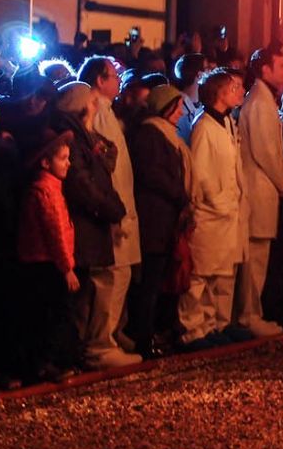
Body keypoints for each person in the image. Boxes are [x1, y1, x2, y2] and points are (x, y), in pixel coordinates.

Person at [51, 81, 131, 369]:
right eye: (93, 101)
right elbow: (83, 184)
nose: (97, 106)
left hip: (93, 222)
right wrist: (112, 208)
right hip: (87, 223)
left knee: (94, 288)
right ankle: (88, 351)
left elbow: (104, 165)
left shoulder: (85, 136)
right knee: (87, 292)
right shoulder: (73, 138)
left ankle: (87, 349)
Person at [78, 56, 142, 365]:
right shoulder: (99, 112)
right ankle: (101, 343)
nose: (118, 81)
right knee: (113, 277)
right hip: (114, 209)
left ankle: (111, 334)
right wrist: (116, 211)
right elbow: (109, 169)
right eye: (113, 76)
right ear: (100, 81)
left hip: (120, 206)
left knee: (121, 274)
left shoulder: (107, 111)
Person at [179, 68, 246, 350]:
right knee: (200, 276)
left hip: (225, 213)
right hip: (210, 213)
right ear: (220, 93)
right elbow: (202, 172)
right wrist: (217, 200)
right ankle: (192, 330)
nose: (240, 92)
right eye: (234, 88)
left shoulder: (226, 123)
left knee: (216, 273)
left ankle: (210, 325)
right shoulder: (205, 126)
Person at [126, 85, 192, 357]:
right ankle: (143, 339)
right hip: (154, 222)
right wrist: (180, 193)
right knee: (149, 286)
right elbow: (152, 174)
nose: (179, 113)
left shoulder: (165, 134)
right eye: (176, 107)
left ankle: (156, 333)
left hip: (165, 222)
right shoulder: (149, 135)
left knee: (159, 283)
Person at [16, 130, 81, 382]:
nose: (69, 163)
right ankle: (46, 363)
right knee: (52, 315)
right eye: (63, 158)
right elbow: (55, 232)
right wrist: (67, 268)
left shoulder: (50, 188)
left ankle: (47, 362)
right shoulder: (46, 191)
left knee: (49, 314)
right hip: (46, 263)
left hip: (44, 261)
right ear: (45, 162)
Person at [236, 48, 283, 338]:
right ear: (265, 70)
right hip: (259, 190)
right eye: (281, 66)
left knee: (258, 258)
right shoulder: (260, 102)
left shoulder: (264, 99)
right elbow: (267, 150)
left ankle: (251, 313)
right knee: (255, 259)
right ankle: (249, 315)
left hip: (262, 188)